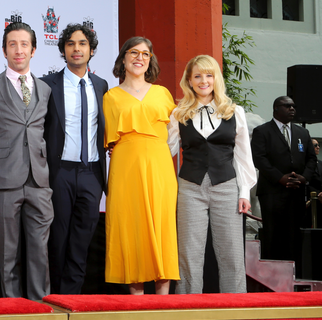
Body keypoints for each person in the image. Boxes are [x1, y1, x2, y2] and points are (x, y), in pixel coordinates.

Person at [0, 22, 54, 300]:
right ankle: (13, 307)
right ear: (4, 51)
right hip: (4, 180)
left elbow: (47, 133)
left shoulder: (45, 89)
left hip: (40, 181)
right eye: (12, 44)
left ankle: (41, 306)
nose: (19, 50)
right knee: (8, 251)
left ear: (34, 49)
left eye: (24, 44)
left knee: (40, 250)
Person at [167, 55, 256, 294]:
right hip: (190, 186)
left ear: (216, 78)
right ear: (189, 80)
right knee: (188, 254)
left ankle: (235, 310)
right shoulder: (179, 113)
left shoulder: (235, 112)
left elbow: (243, 156)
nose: (203, 81)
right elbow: (166, 150)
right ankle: (188, 310)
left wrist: (244, 192)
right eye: (197, 76)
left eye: (209, 75)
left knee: (232, 253)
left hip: (226, 186)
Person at [103, 36, 179, 295]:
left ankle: (163, 304)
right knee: (131, 225)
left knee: (161, 226)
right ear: (123, 58)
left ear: (150, 60)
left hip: (159, 166)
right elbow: (107, 138)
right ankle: (136, 303)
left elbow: (176, 135)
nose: (139, 58)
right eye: (134, 53)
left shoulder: (163, 93)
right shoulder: (110, 96)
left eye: (145, 54)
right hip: (125, 166)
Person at [40, 23, 108, 294]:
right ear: (63, 50)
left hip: (91, 174)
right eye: (70, 44)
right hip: (59, 173)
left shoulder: (101, 85)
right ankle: (53, 298)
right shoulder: (46, 85)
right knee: (57, 241)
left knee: (81, 243)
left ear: (91, 50)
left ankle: (72, 301)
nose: (76, 48)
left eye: (82, 44)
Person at [251, 96, 316, 266]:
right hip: (272, 192)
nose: (292, 109)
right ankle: (272, 275)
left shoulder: (303, 133)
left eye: (293, 106)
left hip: (296, 192)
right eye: (287, 106)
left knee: (294, 235)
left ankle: (294, 273)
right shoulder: (262, 131)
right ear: (276, 109)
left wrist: (304, 178)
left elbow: (311, 159)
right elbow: (259, 159)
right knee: (273, 235)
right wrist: (279, 178)